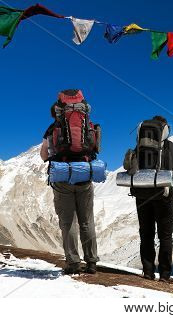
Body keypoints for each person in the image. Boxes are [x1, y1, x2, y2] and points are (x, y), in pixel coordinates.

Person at [40, 89, 99, 275]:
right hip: (84, 176)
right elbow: (96, 147)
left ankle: (73, 264)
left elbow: (43, 154)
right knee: (87, 221)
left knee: (68, 222)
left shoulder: (53, 128)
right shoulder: (88, 124)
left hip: (62, 177)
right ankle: (91, 263)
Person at [124, 115, 173, 283]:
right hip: (163, 195)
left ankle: (148, 272)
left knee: (146, 233)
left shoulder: (139, 148)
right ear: (165, 130)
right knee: (165, 236)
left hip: (142, 195)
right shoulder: (172, 147)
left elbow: (129, 168)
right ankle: (165, 275)